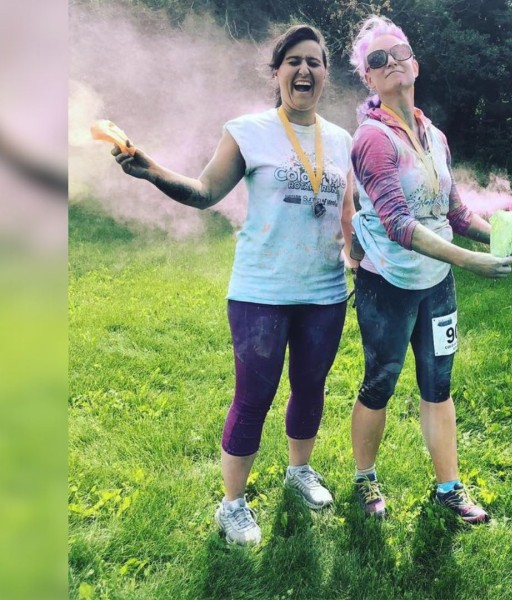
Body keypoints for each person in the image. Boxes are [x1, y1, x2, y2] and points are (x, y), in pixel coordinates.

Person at [111, 25, 358, 545]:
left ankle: (298, 472)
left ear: (326, 74)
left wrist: (359, 255)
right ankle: (232, 505)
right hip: (260, 293)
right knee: (253, 398)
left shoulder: (341, 140)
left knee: (310, 387)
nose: (304, 70)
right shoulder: (249, 131)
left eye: (314, 61)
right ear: (278, 72)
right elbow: (204, 191)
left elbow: (346, 213)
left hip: (324, 293)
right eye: (293, 61)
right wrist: (152, 170)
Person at [346, 16, 512, 524]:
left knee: (439, 384)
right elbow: (398, 223)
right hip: (388, 283)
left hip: (436, 284)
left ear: (415, 64)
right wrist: (470, 260)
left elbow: (454, 213)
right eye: (377, 59)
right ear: (368, 78)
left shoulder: (433, 135)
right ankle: (365, 479)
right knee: (380, 382)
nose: (391, 62)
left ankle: (449, 488)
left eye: (399, 53)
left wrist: (506, 237)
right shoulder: (372, 139)